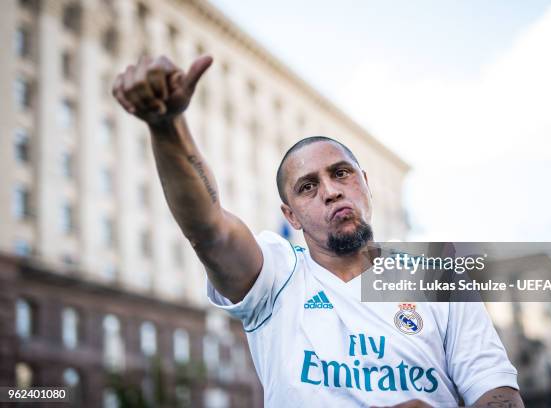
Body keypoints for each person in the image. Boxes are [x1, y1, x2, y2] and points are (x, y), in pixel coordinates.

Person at [112, 54, 524, 408]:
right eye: (307, 187)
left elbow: (494, 390)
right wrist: (167, 127)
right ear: (290, 216)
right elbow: (208, 230)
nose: (329, 191)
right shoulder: (275, 275)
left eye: (341, 174)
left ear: (364, 183)